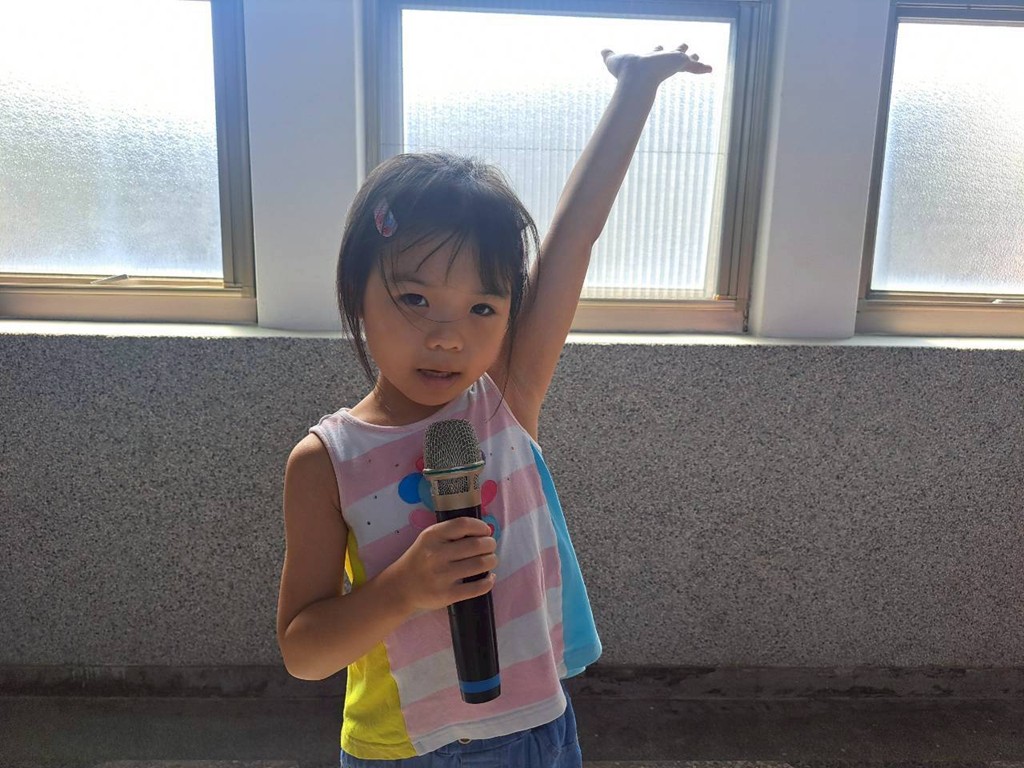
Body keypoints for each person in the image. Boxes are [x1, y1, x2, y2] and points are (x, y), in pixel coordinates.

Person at [277, 43, 713, 767]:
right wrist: (402, 590)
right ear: (357, 293)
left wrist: (638, 87)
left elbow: (574, 237)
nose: (447, 337)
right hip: (404, 751)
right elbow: (303, 652)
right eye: (415, 298)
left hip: (536, 729)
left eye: (482, 307)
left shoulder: (504, 400)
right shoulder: (326, 462)